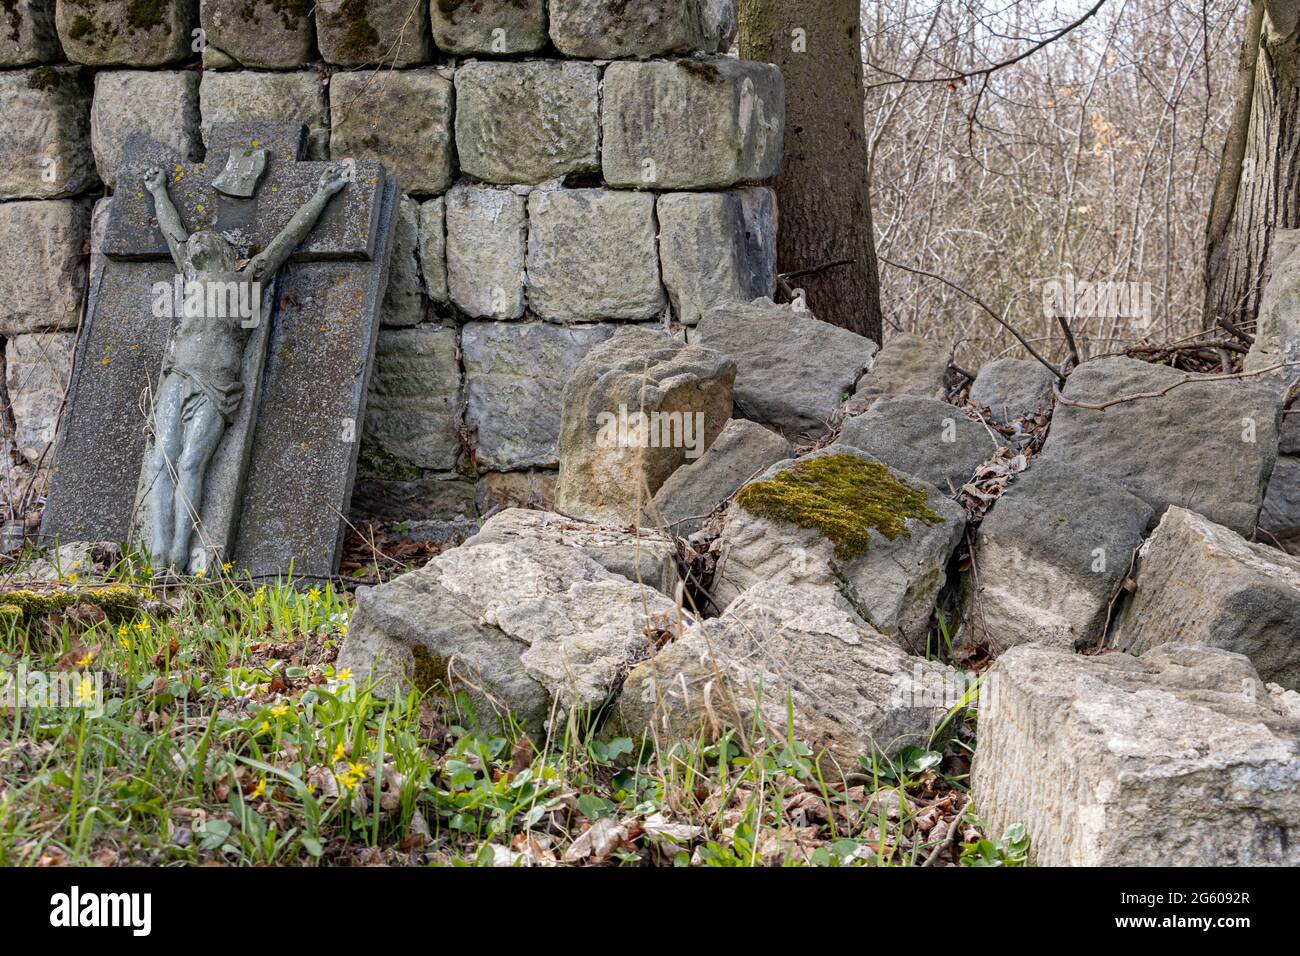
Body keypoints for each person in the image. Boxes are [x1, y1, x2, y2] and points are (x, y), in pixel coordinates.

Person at [143, 162, 350, 572]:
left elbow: (286, 240)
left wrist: (322, 195)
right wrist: (158, 191)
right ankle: (157, 553)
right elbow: (173, 232)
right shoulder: (191, 276)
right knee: (161, 460)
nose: (197, 241)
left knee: (190, 464)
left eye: (208, 239)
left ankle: (180, 553)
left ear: (227, 254)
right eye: (194, 241)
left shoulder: (247, 278)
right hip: (178, 377)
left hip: (215, 386)